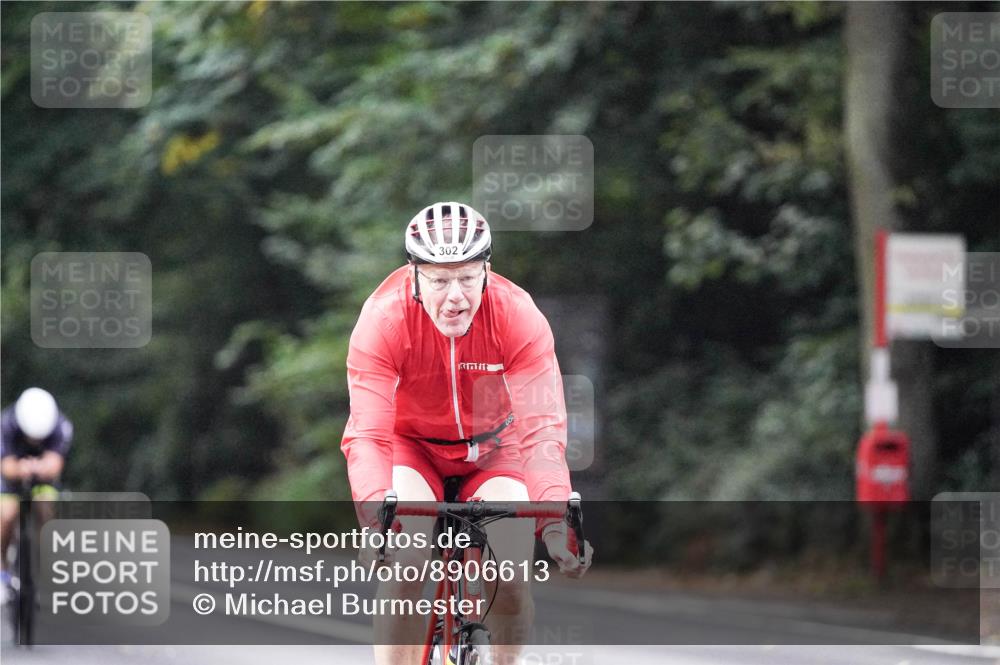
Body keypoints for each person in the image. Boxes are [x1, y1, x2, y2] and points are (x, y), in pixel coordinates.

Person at [341, 202, 593, 665]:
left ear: (488, 271)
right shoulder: (384, 321)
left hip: (496, 450)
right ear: (414, 275)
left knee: (513, 573)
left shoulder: (518, 317)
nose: (454, 295)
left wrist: (555, 522)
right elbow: (368, 435)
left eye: (467, 278)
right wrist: (376, 515)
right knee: (407, 558)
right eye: (438, 280)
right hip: (411, 447)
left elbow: (541, 432)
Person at [0, 388, 73, 598]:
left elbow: (55, 464)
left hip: (43, 479)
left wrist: (40, 468)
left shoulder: (61, 426)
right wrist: (20, 468)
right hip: (10, 478)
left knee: (46, 509)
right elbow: (6, 467)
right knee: (6, 515)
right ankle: (2, 569)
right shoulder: (5, 424)